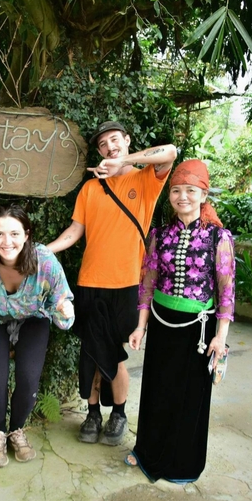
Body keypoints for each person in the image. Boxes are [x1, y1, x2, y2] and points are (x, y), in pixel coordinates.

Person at [47, 121, 177, 446]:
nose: (109, 147)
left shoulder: (145, 180)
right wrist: (43, 250)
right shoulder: (90, 189)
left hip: (127, 284)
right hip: (90, 283)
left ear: (127, 141)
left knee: (115, 353)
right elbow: (75, 232)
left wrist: (125, 161)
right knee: (91, 352)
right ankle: (92, 413)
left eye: (114, 140)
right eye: (103, 144)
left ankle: (118, 412)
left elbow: (170, 153)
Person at [125, 159, 235, 483]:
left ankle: (182, 465)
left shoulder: (219, 237)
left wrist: (221, 336)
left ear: (203, 194)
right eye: (176, 190)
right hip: (162, 322)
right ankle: (146, 453)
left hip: (199, 329)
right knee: (157, 390)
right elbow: (147, 282)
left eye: (190, 190)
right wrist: (141, 326)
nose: (182, 196)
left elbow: (227, 290)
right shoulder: (161, 234)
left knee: (189, 396)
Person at [0, 204, 74, 467]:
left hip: (33, 318)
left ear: (27, 234)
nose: (7, 242)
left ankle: (16, 430)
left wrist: (64, 309)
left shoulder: (44, 261)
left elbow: (62, 309)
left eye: (14, 234)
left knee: (28, 378)